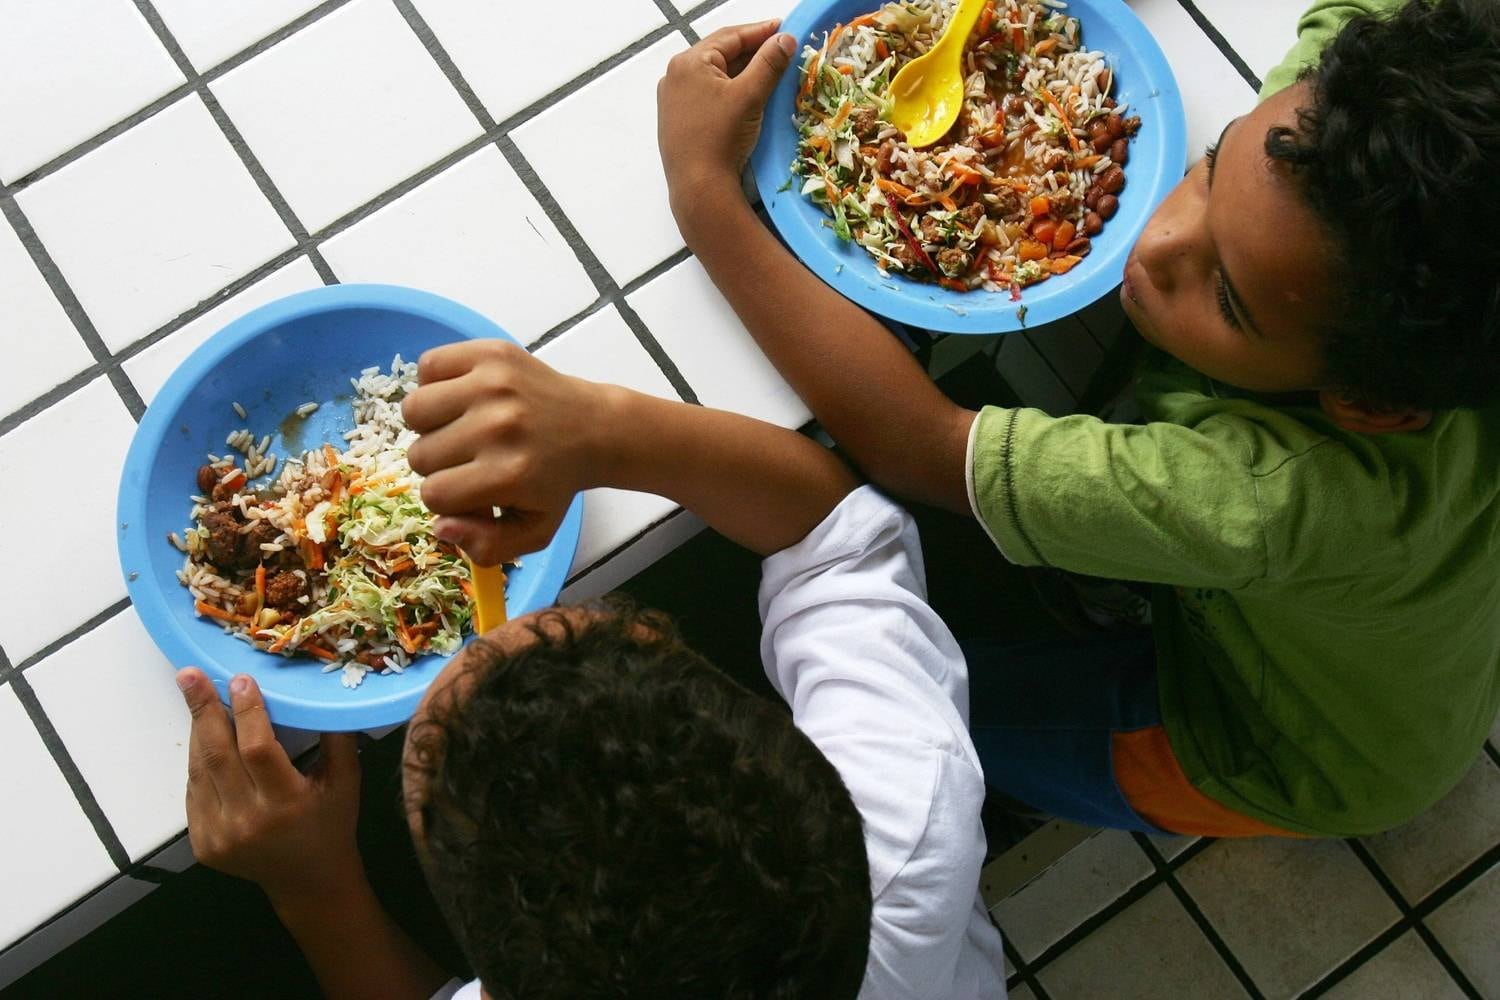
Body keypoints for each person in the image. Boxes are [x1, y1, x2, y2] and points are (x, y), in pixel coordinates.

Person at [653, 0, 1500, 838]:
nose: (1157, 246)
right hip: (1404, 633)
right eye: (1212, 166)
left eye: (1227, 299)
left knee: (938, 724)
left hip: (1286, 743)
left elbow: (920, 446)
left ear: (1367, 406)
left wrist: (705, 197)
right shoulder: (1343, 158)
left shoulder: (1267, 499)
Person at [174, 343, 1006, 999]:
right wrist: (603, 428)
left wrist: (315, 888)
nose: (489, 635)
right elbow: (836, 544)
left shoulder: (906, 826)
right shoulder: (909, 827)